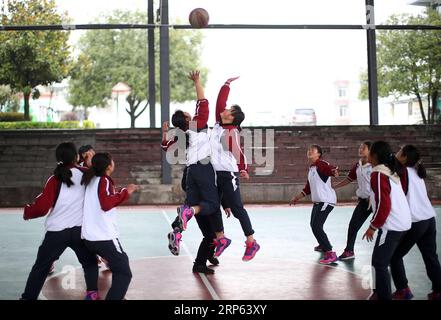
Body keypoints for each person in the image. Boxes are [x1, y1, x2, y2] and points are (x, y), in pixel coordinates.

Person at [165, 70, 231, 274]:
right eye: (188, 114)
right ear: (188, 119)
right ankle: (216, 239)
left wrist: (165, 134)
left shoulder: (181, 135)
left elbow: (165, 145)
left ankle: (179, 232)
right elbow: (202, 102)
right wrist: (197, 81)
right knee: (211, 205)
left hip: (190, 174)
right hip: (202, 170)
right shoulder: (197, 126)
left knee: (198, 210)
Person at [21, 142, 99, 300]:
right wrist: (92, 165)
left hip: (56, 232)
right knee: (90, 263)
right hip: (79, 231)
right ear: (77, 157)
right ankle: (92, 293)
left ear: (59, 159)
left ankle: (28, 297)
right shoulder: (86, 173)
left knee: (40, 268)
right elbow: (101, 181)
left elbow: (42, 207)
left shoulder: (54, 178)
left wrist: (28, 212)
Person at [209, 75, 260, 261]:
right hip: (215, 175)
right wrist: (226, 84)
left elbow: (238, 152)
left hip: (228, 174)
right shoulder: (218, 125)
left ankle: (252, 242)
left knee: (238, 209)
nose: (225, 110)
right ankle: (221, 239)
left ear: (233, 119)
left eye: (229, 111)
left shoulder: (230, 132)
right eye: (228, 109)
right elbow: (219, 103)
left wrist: (243, 168)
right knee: (212, 206)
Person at [81, 152, 139, 300]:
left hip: (89, 238)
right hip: (103, 237)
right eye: (112, 161)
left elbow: (105, 198)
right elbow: (106, 204)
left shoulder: (91, 179)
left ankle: (116, 294)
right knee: (124, 272)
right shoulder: (104, 180)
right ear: (108, 166)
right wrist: (127, 192)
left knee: (118, 263)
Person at [390, 145, 441, 300]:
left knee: (394, 256)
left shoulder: (403, 172)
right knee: (431, 257)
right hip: (429, 219)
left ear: (404, 157)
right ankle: (439, 291)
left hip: (416, 222)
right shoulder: (416, 171)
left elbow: (390, 163)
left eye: (399, 151)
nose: (396, 153)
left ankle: (403, 289)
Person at [362, 141, 411, 300]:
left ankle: (383, 296)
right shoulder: (390, 171)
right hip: (403, 223)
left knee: (379, 263)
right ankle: (384, 291)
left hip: (392, 225)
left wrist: (373, 226)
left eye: (369, 151)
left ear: (374, 155)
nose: (367, 153)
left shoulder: (378, 173)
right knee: (383, 258)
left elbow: (384, 204)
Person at [289, 144, 339, 265]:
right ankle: (323, 245)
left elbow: (330, 169)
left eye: (313, 150)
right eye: (309, 149)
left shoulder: (321, 164)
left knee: (317, 226)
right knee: (313, 225)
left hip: (326, 201)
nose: (309, 151)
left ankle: (330, 252)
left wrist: (334, 171)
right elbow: (308, 188)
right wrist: (297, 198)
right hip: (318, 202)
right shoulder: (312, 169)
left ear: (319, 154)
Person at [333, 141, 372, 260]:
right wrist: (335, 186)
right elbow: (349, 179)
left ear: (370, 150)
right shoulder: (358, 165)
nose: (360, 149)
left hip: (376, 201)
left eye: (363, 148)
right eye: (359, 147)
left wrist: (375, 196)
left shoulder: (375, 165)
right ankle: (349, 251)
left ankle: (391, 254)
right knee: (353, 225)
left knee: (385, 227)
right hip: (364, 202)